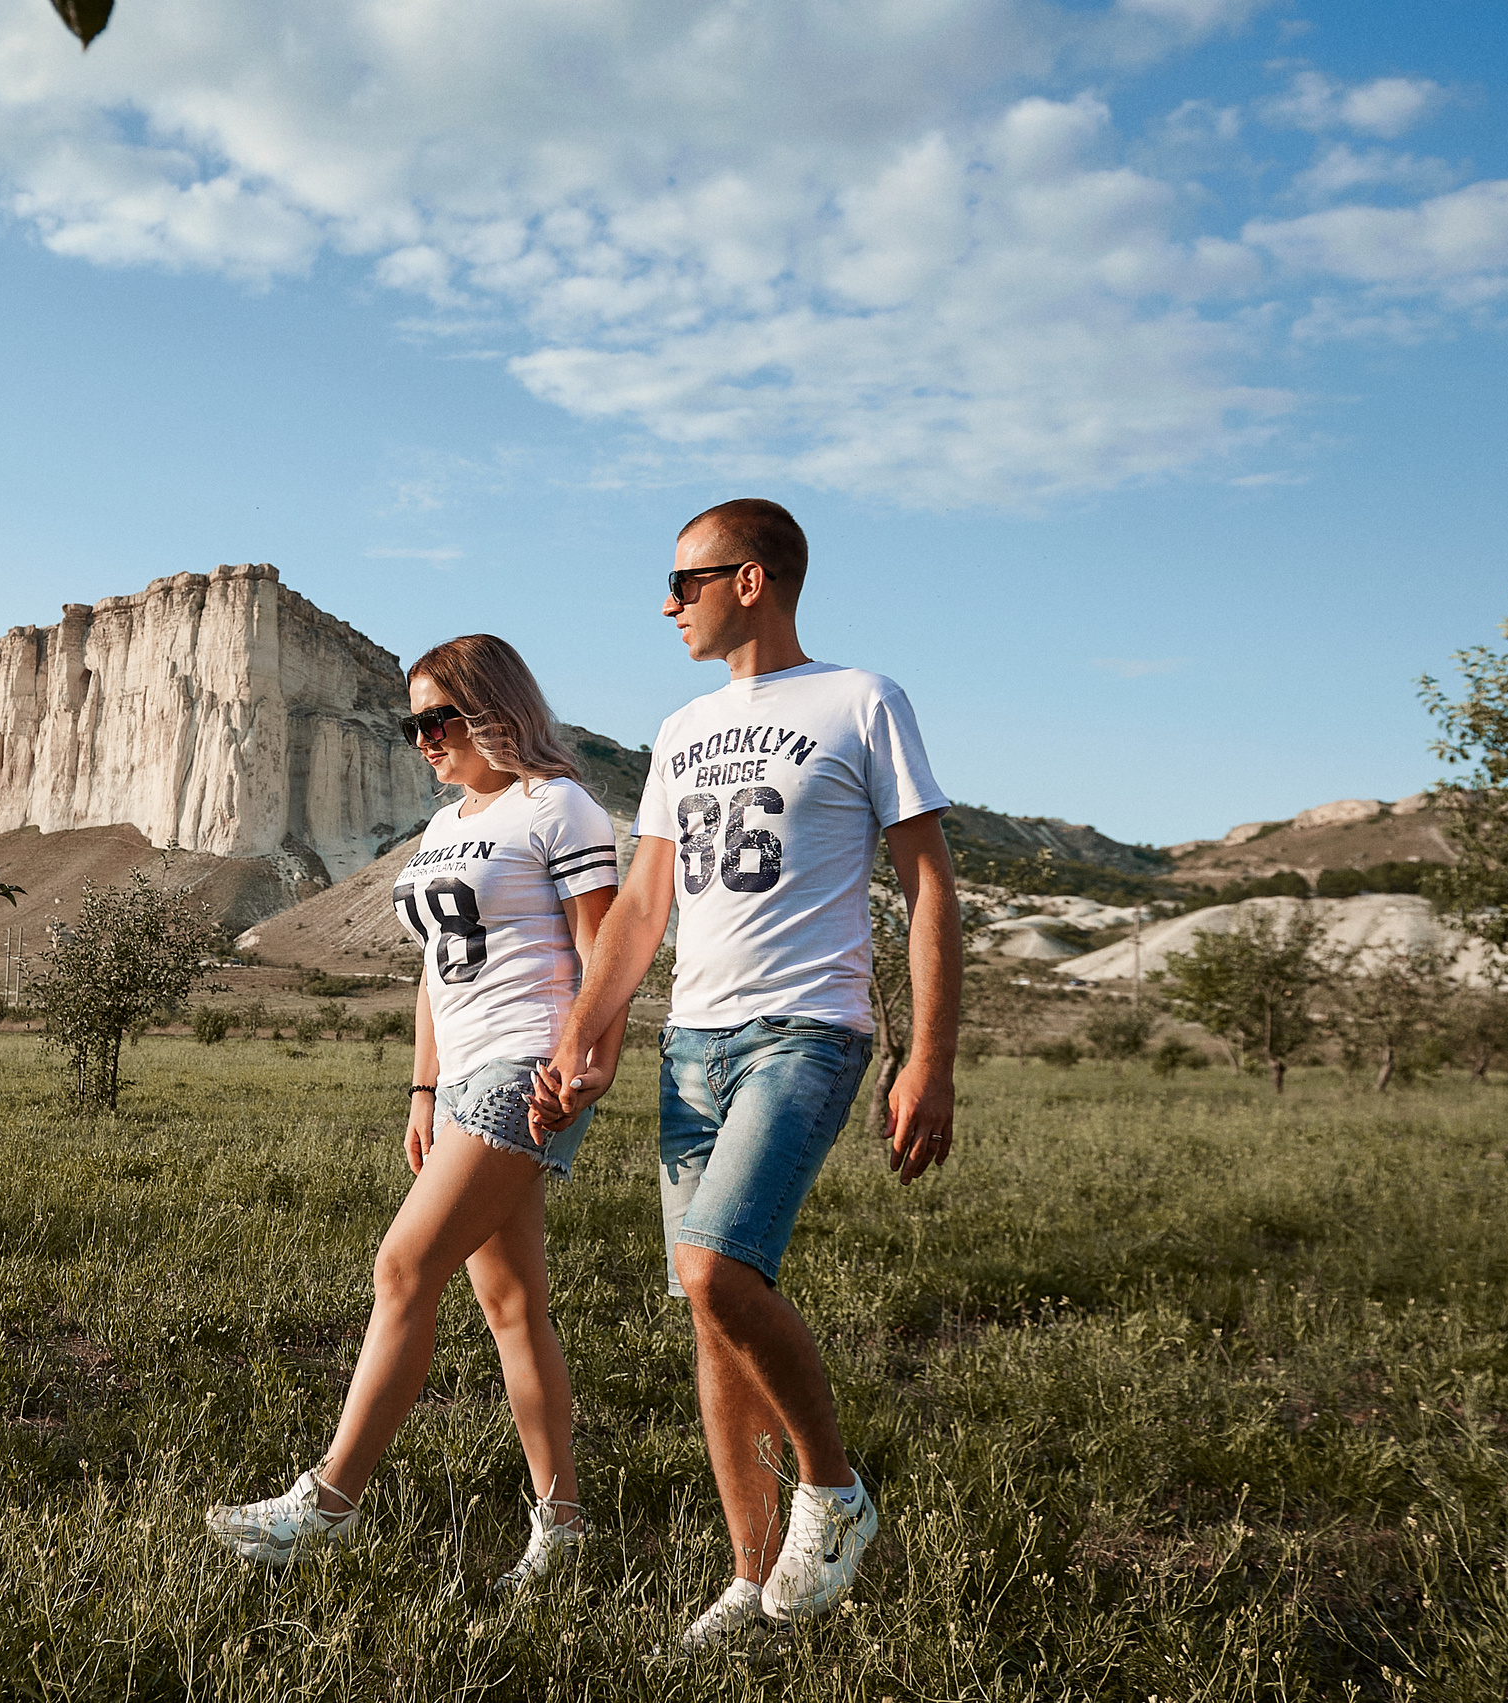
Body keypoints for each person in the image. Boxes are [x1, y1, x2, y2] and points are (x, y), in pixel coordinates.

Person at [532, 498, 960, 1650]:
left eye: (685, 581)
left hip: (807, 1028)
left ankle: (835, 1488)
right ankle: (751, 1575)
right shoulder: (678, 727)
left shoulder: (862, 699)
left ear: (753, 579)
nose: (666, 603)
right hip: (694, 1042)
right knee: (707, 1314)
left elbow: (927, 886)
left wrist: (930, 1053)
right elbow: (639, 906)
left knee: (721, 1272)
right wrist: (585, 1028)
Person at [205, 634, 627, 1592]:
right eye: (413, 724)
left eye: (439, 718)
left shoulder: (558, 805)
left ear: (493, 708)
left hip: (530, 1069)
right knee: (513, 1306)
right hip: (465, 1078)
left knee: (402, 1265)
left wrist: (589, 1058)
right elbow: (435, 974)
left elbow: (604, 952)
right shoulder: (444, 827)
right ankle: (562, 1530)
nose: (423, 740)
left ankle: (328, 1503)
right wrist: (422, 1090)